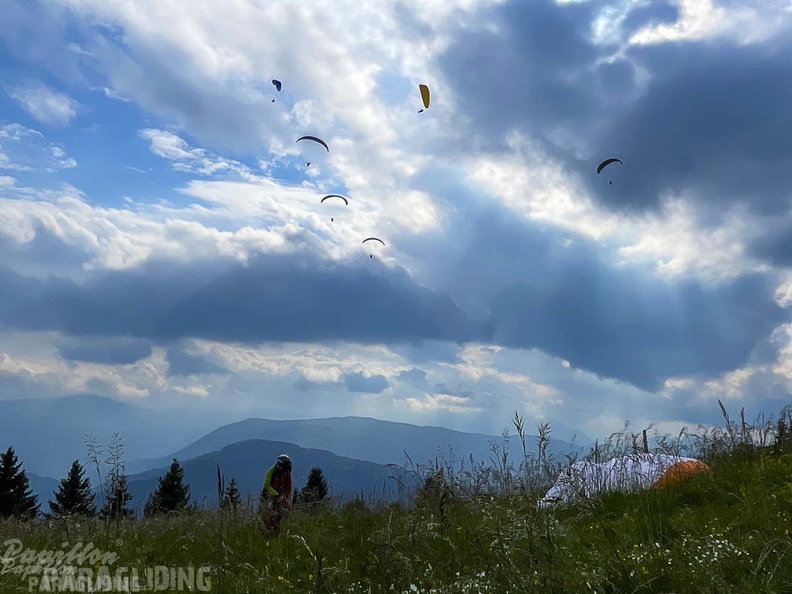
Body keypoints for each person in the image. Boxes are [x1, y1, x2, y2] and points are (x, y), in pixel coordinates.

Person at [261, 454, 292, 535]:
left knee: (279, 516)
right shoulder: (271, 472)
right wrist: (276, 494)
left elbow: (288, 487)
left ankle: (276, 532)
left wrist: (284, 498)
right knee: (268, 515)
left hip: (280, 498)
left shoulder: (286, 475)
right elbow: (267, 485)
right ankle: (268, 531)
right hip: (268, 497)